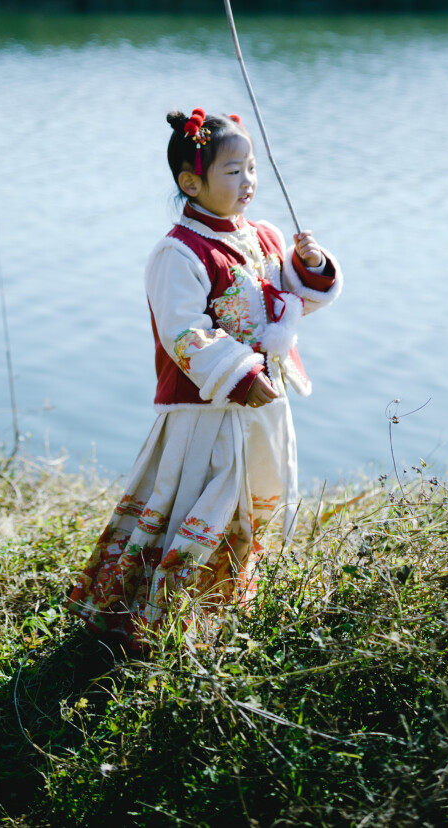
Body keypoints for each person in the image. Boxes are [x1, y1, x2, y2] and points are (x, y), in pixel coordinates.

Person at [68, 107, 341, 645]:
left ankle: (220, 611)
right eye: (232, 171)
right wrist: (239, 373)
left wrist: (310, 265)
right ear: (191, 182)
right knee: (200, 506)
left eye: (252, 168)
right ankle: (150, 620)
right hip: (208, 413)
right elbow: (182, 331)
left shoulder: (261, 236)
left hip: (263, 406)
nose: (249, 182)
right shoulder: (178, 252)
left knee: (253, 502)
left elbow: (289, 301)